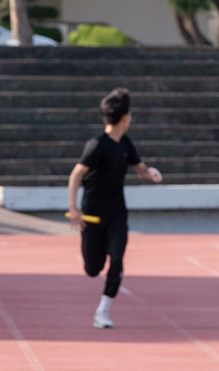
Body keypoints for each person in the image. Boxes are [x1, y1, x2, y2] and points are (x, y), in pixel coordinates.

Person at [66, 87, 164, 330]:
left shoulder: (126, 144)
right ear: (124, 117)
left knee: (118, 259)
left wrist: (150, 174)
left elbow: (140, 170)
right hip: (92, 216)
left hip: (117, 214)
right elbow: (76, 174)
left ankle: (103, 310)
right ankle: (99, 290)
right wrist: (74, 208)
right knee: (93, 268)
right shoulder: (97, 144)